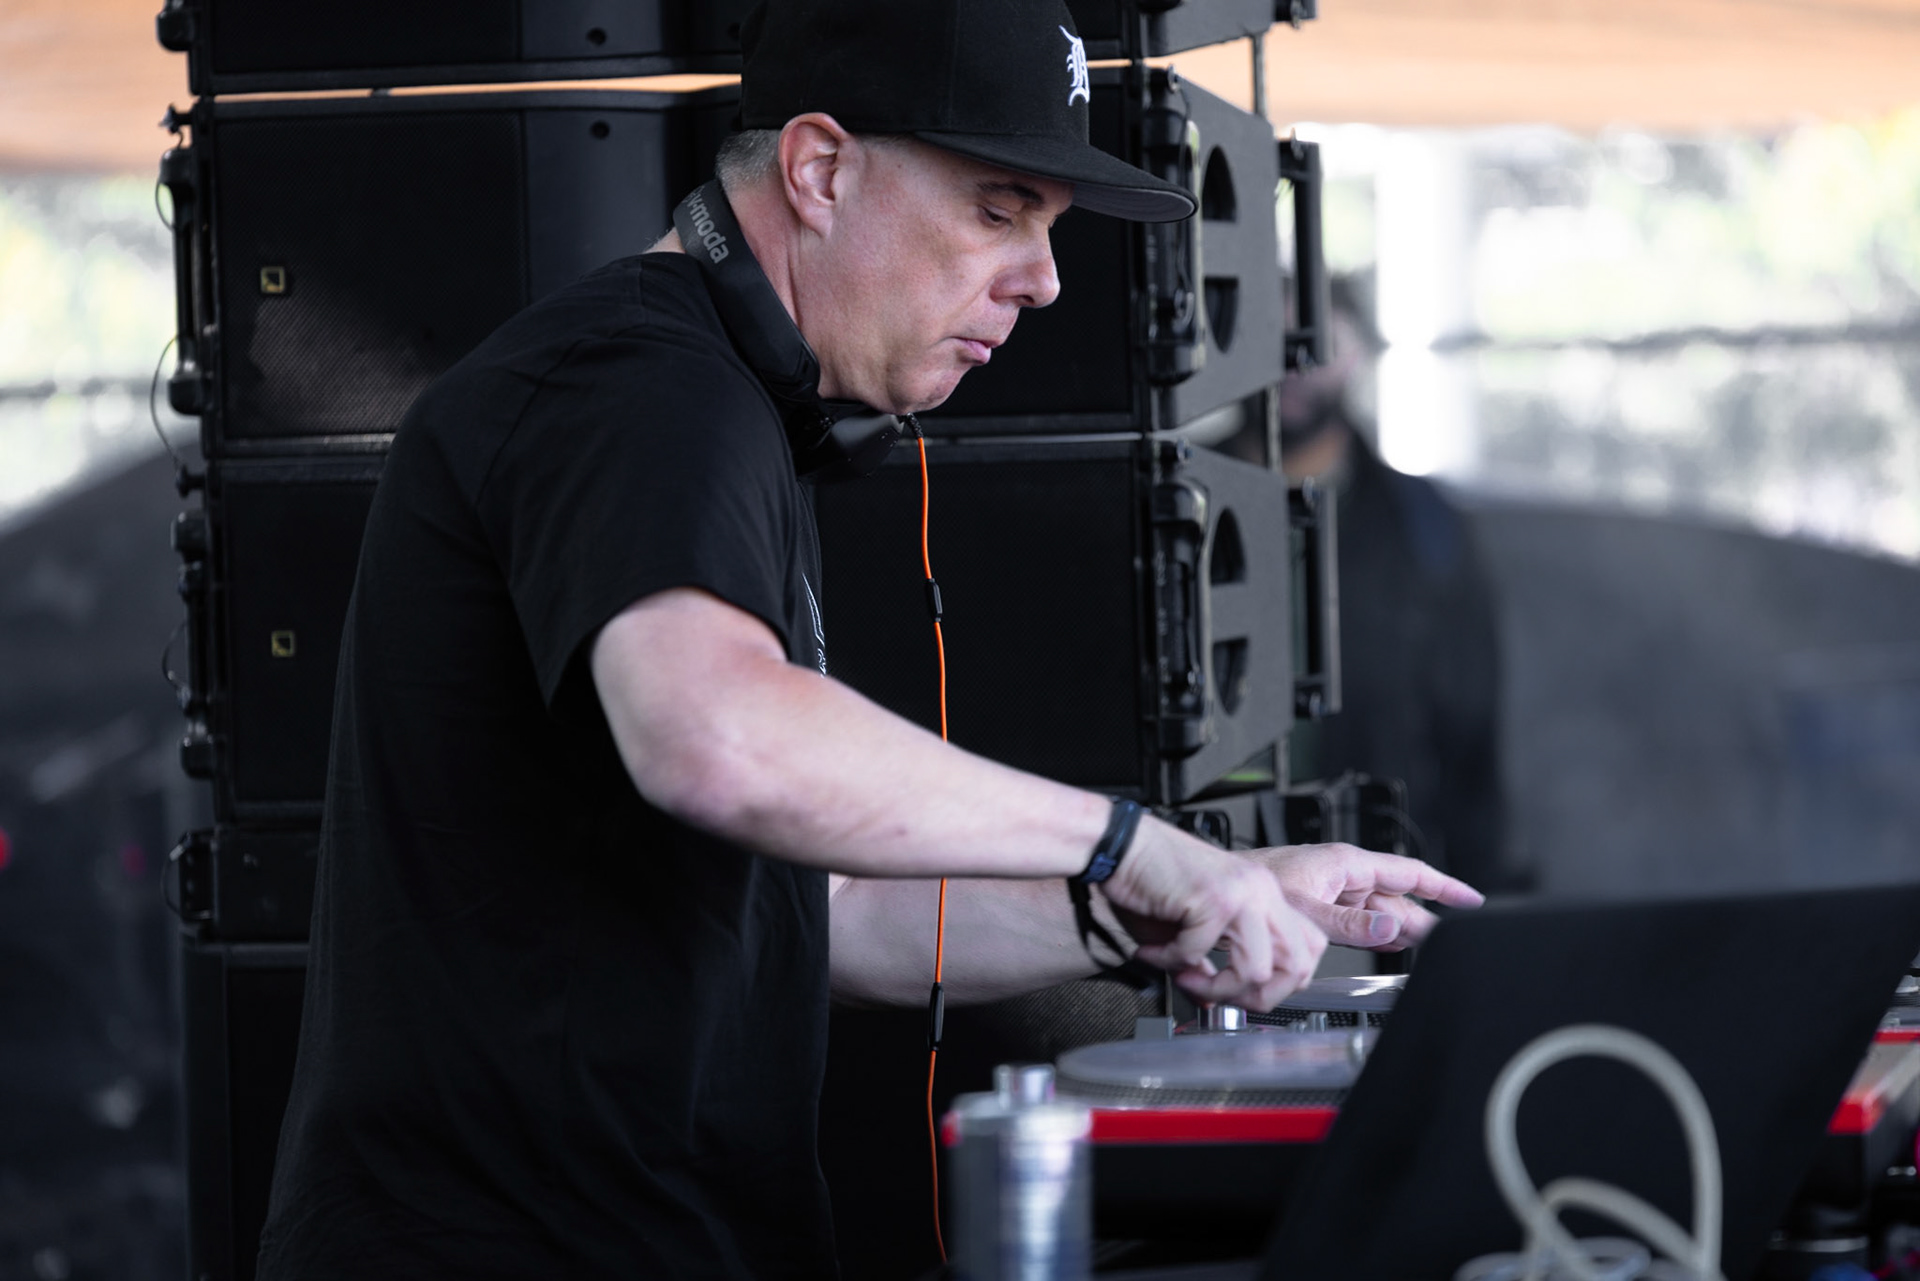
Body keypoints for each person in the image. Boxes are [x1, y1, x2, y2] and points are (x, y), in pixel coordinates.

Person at [254, 3, 1483, 1278]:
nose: (1045, 278)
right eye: (999, 211)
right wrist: (1131, 841)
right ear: (820, 171)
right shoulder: (638, 388)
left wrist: (1176, 905)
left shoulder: (723, 409)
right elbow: (717, 740)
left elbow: (835, 914)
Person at [1278, 275, 1521, 894]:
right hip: (1207, 856)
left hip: (1368, 868)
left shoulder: (1421, 521)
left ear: (1356, 355)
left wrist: (1480, 897)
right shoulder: (1174, 494)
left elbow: (1471, 729)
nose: (1292, 365)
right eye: (1271, 339)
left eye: (1315, 342)